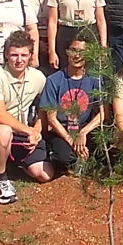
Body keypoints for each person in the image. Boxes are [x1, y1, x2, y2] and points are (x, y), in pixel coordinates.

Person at [0, 31, 48, 203]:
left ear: (30, 55)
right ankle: (1, 179)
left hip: (24, 134)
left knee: (43, 174)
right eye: (14, 55)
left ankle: (12, 162)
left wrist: (37, 131)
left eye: (24, 55)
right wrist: (29, 130)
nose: (19, 60)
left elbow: (45, 108)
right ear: (6, 55)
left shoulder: (38, 77)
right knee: (3, 131)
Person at [41, 35, 103, 171]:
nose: (77, 55)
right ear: (67, 52)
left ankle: (85, 159)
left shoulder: (95, 79)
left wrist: (83, 133)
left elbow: (103, 114)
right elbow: (51, 118)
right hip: (62, 130)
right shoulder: (53, 80)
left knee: (103, 149)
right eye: (73, 50)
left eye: (82, 52)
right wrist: (71, 140)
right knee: (64, 157)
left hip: (84, 128)